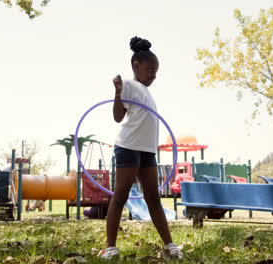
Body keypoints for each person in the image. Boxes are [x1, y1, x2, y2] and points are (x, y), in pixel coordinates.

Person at [98, 36, 182, 260]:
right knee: (121, 195)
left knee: (153, 198)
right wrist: (117, 92)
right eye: (150, 69)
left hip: (147, 151)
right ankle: (111, 248)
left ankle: (170, 245)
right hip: (128, 147)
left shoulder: (147, 92)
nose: (153, 74)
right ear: (136, 66)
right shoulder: (128, 84)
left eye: (156, 71)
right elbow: (118, 117)